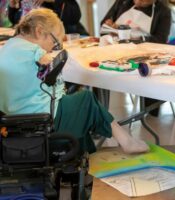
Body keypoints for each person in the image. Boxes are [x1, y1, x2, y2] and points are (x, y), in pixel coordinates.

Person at [0, 8, 149, 154]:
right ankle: (125, 141)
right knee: (86, 100)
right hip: (40, 122)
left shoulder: (8, 47)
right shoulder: (35, 52)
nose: (53, 48)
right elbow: (55, 82)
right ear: (39, 31)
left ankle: (82, 154)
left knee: (76, 108)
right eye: (55, 42)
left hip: (14, 122)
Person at [101, 0, 171, 116]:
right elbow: (103, 24)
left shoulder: (163, 10)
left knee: (148, 76)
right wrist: (109, 25)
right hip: (117, 53)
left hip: (146, 56)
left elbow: (160, 40)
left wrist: (135, 37)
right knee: (97, 70)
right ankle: (99, 110)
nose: (138, 2)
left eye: (143, 0)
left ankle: (149, 110)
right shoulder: (122, 2)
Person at [8, 0, 88, 35]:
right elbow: (15, 20)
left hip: (63, 38)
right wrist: (12, 8)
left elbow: (75, 16)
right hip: (31, 40)